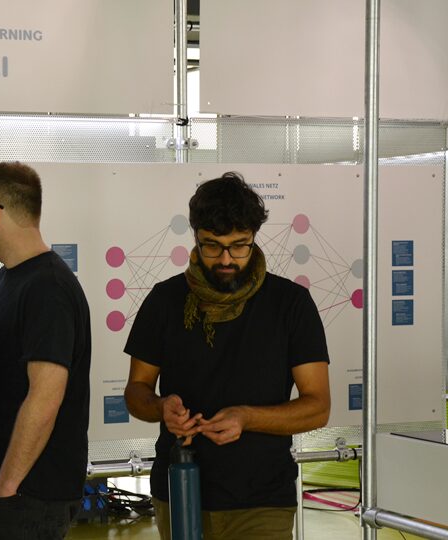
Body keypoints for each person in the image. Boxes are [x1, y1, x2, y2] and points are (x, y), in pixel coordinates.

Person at [123, 172, 331, 540]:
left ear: (253, 239)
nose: (226, 259)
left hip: (261, 499)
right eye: (212, 246)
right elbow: (137, 391)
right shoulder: (165, 300)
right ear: (195, 238)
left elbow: (318, 406)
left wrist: (246, 418)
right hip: (179, 491)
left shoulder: (290, 304)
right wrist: (161, 408)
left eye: (239, 245)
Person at [0, 162, 91, 540]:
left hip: (27, 499)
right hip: (0, 490)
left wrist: (6, 489)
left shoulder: (47, 288)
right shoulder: (12, 278)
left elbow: (45, 396)